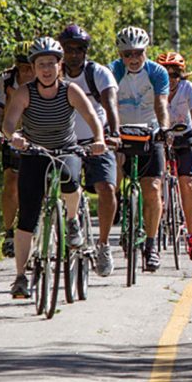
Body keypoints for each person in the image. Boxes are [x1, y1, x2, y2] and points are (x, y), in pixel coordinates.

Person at [1, 37, 107, 299]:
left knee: (71, 180)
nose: (46, 69)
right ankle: (20, 277)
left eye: (51, 63)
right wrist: (13, 137)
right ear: (34, 68)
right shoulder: (25, 92)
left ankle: (72, 221)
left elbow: (92, 117)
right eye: (40, 64)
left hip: (66, 150)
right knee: (27, 216)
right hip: (35, 153)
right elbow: (9, 122)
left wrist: (99, 139)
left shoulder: (70, 90)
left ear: (60, 66)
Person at [58, 24, 120, 277]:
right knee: (58, 186)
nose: (74, 54)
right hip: (64, 142)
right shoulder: (53, 75)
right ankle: (66, 225)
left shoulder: (99, 74)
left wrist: (113, 133)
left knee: (107, 187)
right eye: (69, 49)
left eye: (79, 49)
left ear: (86, 51)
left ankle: (103, 245)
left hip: (97, 139)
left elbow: (111, 104)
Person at [110, 27, 170, 272]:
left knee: (153, 188)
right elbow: (109, 102)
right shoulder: (112, 71)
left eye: (138, 53)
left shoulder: (157, 72)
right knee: (113, 175)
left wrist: (164, 128)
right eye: (127, 54)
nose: (133, 59)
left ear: (146, 51)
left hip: (149, 131)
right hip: (121, 131)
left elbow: (161, 104)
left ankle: (152, 244)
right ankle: (116, 199)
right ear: (120, 54)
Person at [156, 51, 192, 261]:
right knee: (153, 181)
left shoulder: (188, 89)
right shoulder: (154, 88)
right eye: (166, 73)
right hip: (162, 135)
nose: (171, 78)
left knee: (187, 183)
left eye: (175, 74)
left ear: (182, 74)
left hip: (185, 135)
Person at [0, 41, 35, 257]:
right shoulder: (5, 79)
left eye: (29, 66)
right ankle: (8, 233)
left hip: (39, 134)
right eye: (21, 66)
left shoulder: (46, 77)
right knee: (11, 181)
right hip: (13, 133)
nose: (26, 71)